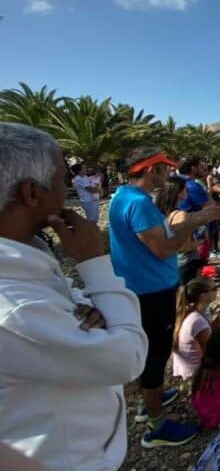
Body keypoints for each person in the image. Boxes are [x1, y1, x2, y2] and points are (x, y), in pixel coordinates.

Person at [0, 122, 148, 471]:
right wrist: (95, 264)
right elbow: (128, 357)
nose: (69, 188)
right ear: (31, 194)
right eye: (63, 178)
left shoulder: (26, 258)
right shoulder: (16, 309)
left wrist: (80, 304)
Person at [109, 148, 220, 448]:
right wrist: (198, 218)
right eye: (164, 170)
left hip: (141, 287)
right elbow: (162, 248)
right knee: (156, 354)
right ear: (150, 171)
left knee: (151, 352)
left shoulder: (122, 197)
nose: (169, 176)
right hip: (152, 291)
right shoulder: (139, 204)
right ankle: (156, 426)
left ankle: (150, 401)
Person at [155, 176, 204, 285]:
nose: (188, 191)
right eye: (186, 189)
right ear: (179, 193)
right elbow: (183, 247)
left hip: (167, 263)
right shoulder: (181, 215)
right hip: (185, 263)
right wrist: (202, 241)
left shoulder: (158, 211)